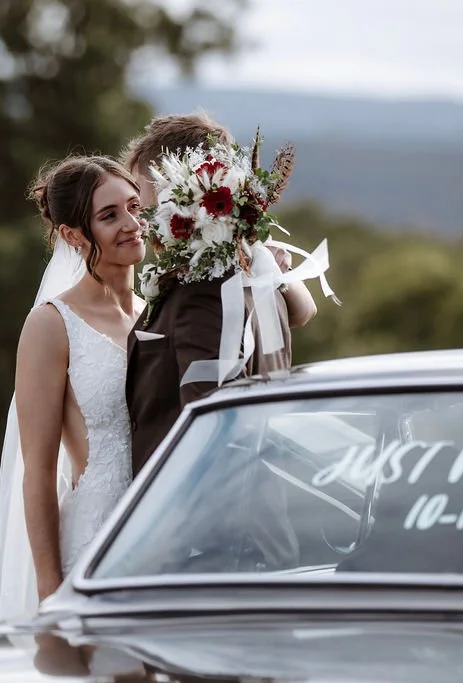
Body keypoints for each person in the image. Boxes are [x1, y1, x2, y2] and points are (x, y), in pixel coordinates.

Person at [121, 113, 328, 572]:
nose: (136, 209)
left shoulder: (205, 293)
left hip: (213, 548)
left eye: (140, 191)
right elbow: (303, 312)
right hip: (255, 534)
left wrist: (176, 551)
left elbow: (215, 433)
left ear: (174, 184)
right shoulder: (251, 274)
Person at [0, 155, 146, 622]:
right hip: (96, 542)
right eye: (109, 215)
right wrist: (50, 592)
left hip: (164, 535)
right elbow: (36, 471)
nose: (132, 224)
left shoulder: (156, 313)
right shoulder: (51, 325)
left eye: (135, 207)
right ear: (72, 235)